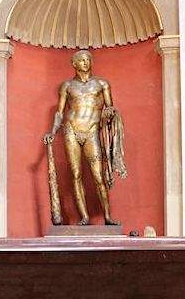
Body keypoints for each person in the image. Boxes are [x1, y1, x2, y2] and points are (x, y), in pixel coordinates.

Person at [43, 50, 127, 225]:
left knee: (98, 176)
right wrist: (52, 131)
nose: (85, 62)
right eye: (81, 60)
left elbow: (109, 109)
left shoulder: (101, 84)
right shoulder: (67, 86)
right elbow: (60, 112)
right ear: (74, 64)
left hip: (91, 130)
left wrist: (110, 114)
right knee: (75, 174)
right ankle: (84, 216)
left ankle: (107, 216)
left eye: (88, 59)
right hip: (71, 130)